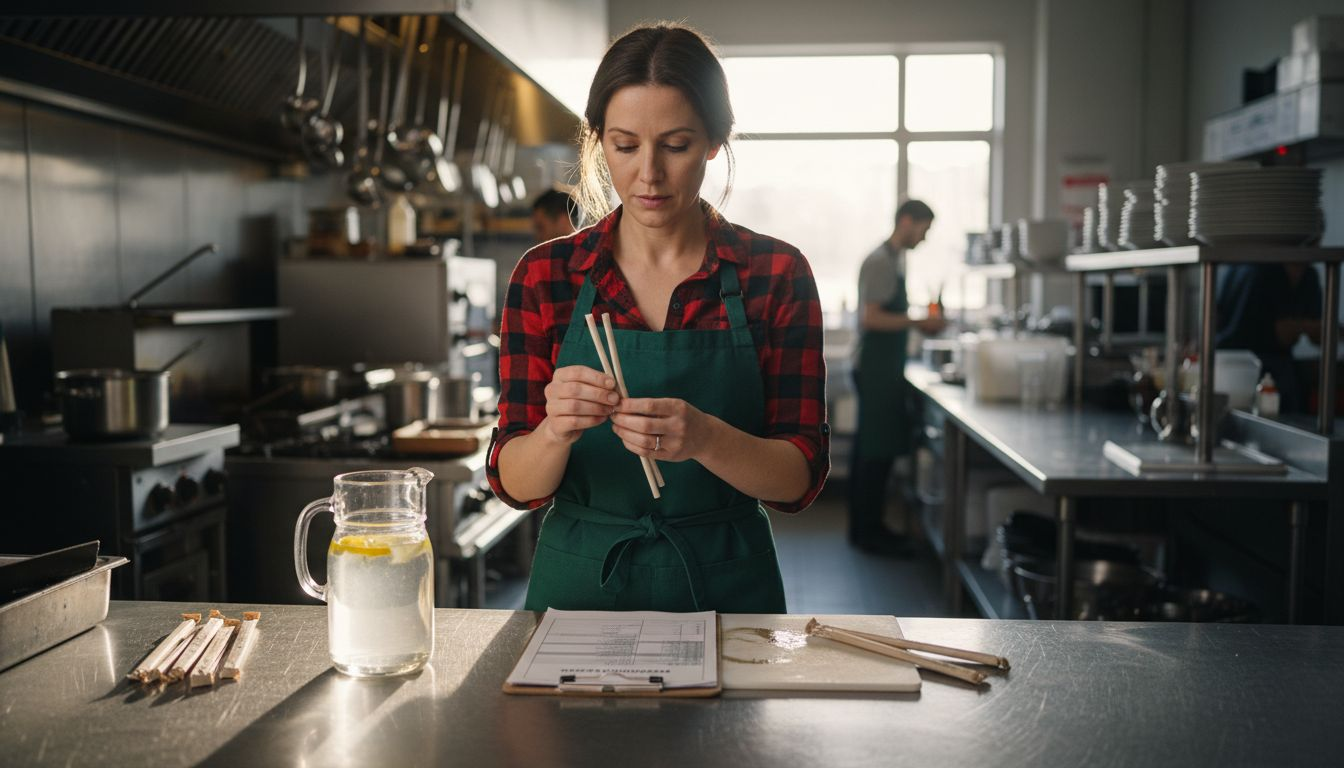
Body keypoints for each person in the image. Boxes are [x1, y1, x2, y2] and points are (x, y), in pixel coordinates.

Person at [486, 22, 829, 614]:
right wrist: (555, 430)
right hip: (579, 590)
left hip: (726, 589)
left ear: (715, 141)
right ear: (598, 142)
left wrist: (706, 437)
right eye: (625, 146)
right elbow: (515, 485)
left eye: (675, 145)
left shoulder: (775, 273)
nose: (649, 173)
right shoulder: (546, 276)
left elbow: (798, 478)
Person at [849, 200, 944, 555]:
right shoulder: (879, 262)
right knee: (873, 454)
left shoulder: (894, 259)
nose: (925, 236)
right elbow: (870, 319)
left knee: (874, 452)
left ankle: (867, 529)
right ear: (907, 221)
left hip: (885, 368)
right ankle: (867, 531)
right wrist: (919, 322)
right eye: (925, 228)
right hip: (874, 369)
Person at [1216, 263, 1325, 413]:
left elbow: (1319, 336)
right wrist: (1307, 326)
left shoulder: (1308, 277)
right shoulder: (1266, 271)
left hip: (1233, 362)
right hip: (1243, 363)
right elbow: (1283, 334)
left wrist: (1301, 326)